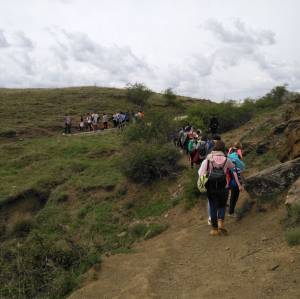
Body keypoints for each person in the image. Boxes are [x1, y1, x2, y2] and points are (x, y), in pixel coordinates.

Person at [198, 140, 242, 236]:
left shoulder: (208, 160)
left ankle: (215, 229)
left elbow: (200, 173)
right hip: (223, 185)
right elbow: (235, 167)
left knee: (213, 206)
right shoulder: (227, 160)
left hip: (211, 186)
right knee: (222, 205)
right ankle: (221, 223)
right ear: (223, 149)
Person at [227, 148, 245, 217]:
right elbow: (236, 174)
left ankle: (231, 211)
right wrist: (240, 185)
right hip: (234, 184)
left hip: (231, 182)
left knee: (233, 197)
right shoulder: (235, 161)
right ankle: (231, 212)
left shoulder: (230, 159)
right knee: (234, 197)